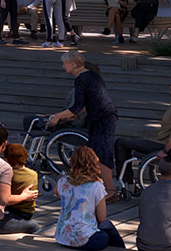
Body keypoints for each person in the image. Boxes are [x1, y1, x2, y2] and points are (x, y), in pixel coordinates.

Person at [47, 50, 120, 193]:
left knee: (101, 153)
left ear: (74, 64)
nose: (63, 67)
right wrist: (69, 115)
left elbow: (77, 106)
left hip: (102, 118)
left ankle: (110, 190)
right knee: (97, 152)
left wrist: (57, 116)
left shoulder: (81, 78)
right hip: (104, 116)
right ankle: (99, 188)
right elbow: (85, 104)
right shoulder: (92, 76)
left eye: (65, 64)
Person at [55, 145, 126, 251]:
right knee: (106, 229)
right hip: (84, 239)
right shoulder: (96, 186)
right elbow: (102, 218)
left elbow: (56, 192)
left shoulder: (63, 181)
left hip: (63, 236)